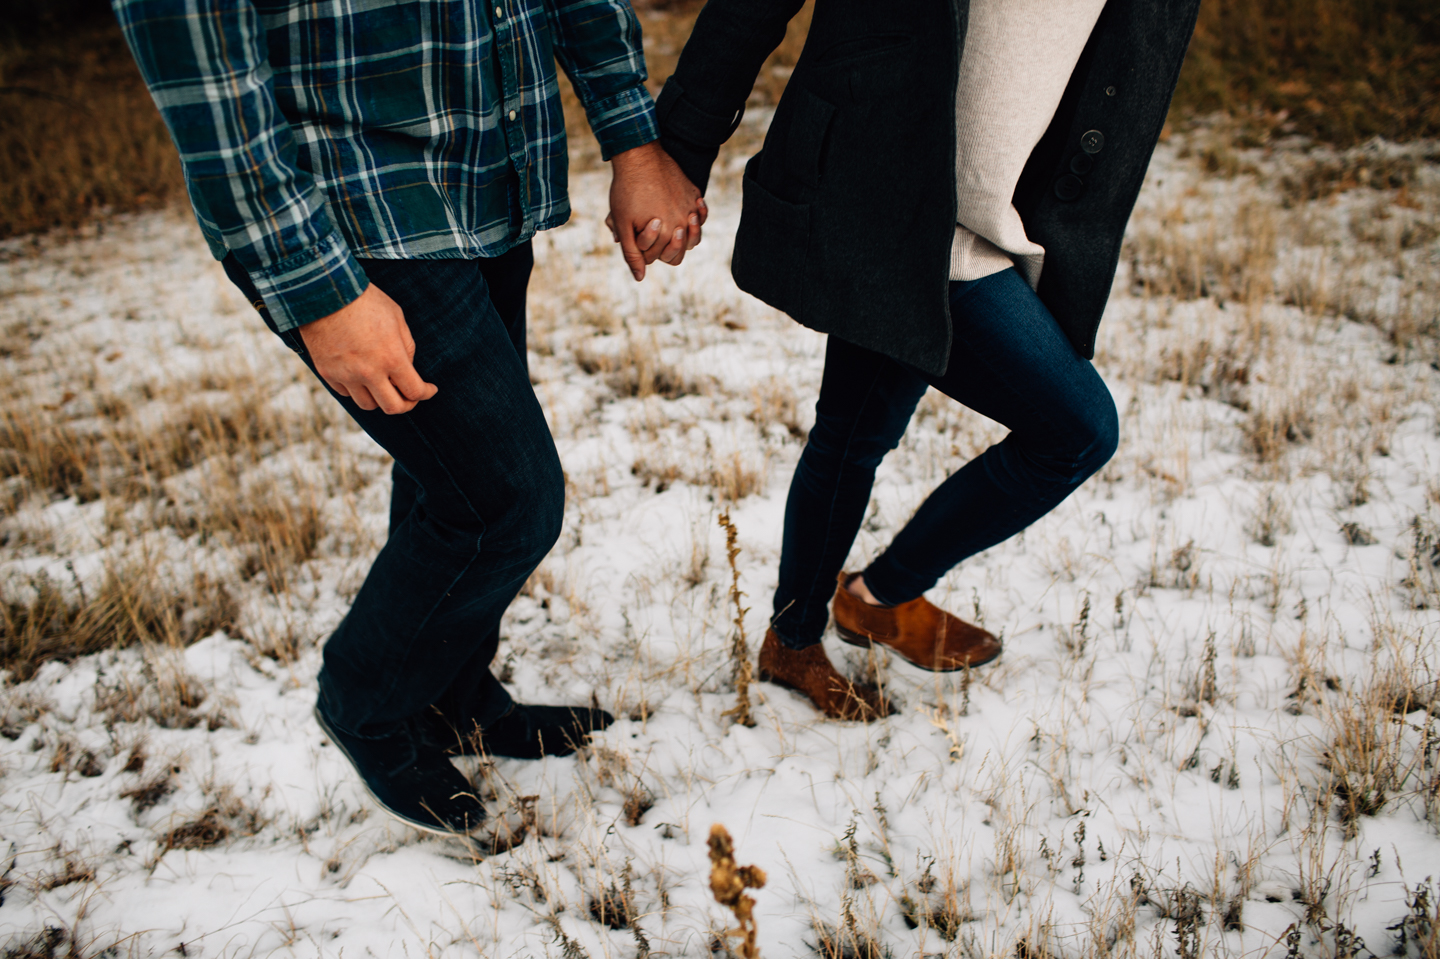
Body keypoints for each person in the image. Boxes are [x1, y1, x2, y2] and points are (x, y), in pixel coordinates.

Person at [113, 0, 705, 834]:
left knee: (450, 476)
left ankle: (451, 698)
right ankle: (366, 701)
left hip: (489, 166)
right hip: (352, 204)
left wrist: (633, 139)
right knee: (507, 503)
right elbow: (205, 77)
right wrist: (319, 290)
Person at [657, 0, 1200, 719]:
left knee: (853, 435)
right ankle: (873, 600)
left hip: (990, 221)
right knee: (1076, 429)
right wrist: (676, 153)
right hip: (882, 191)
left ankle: (823, 624)